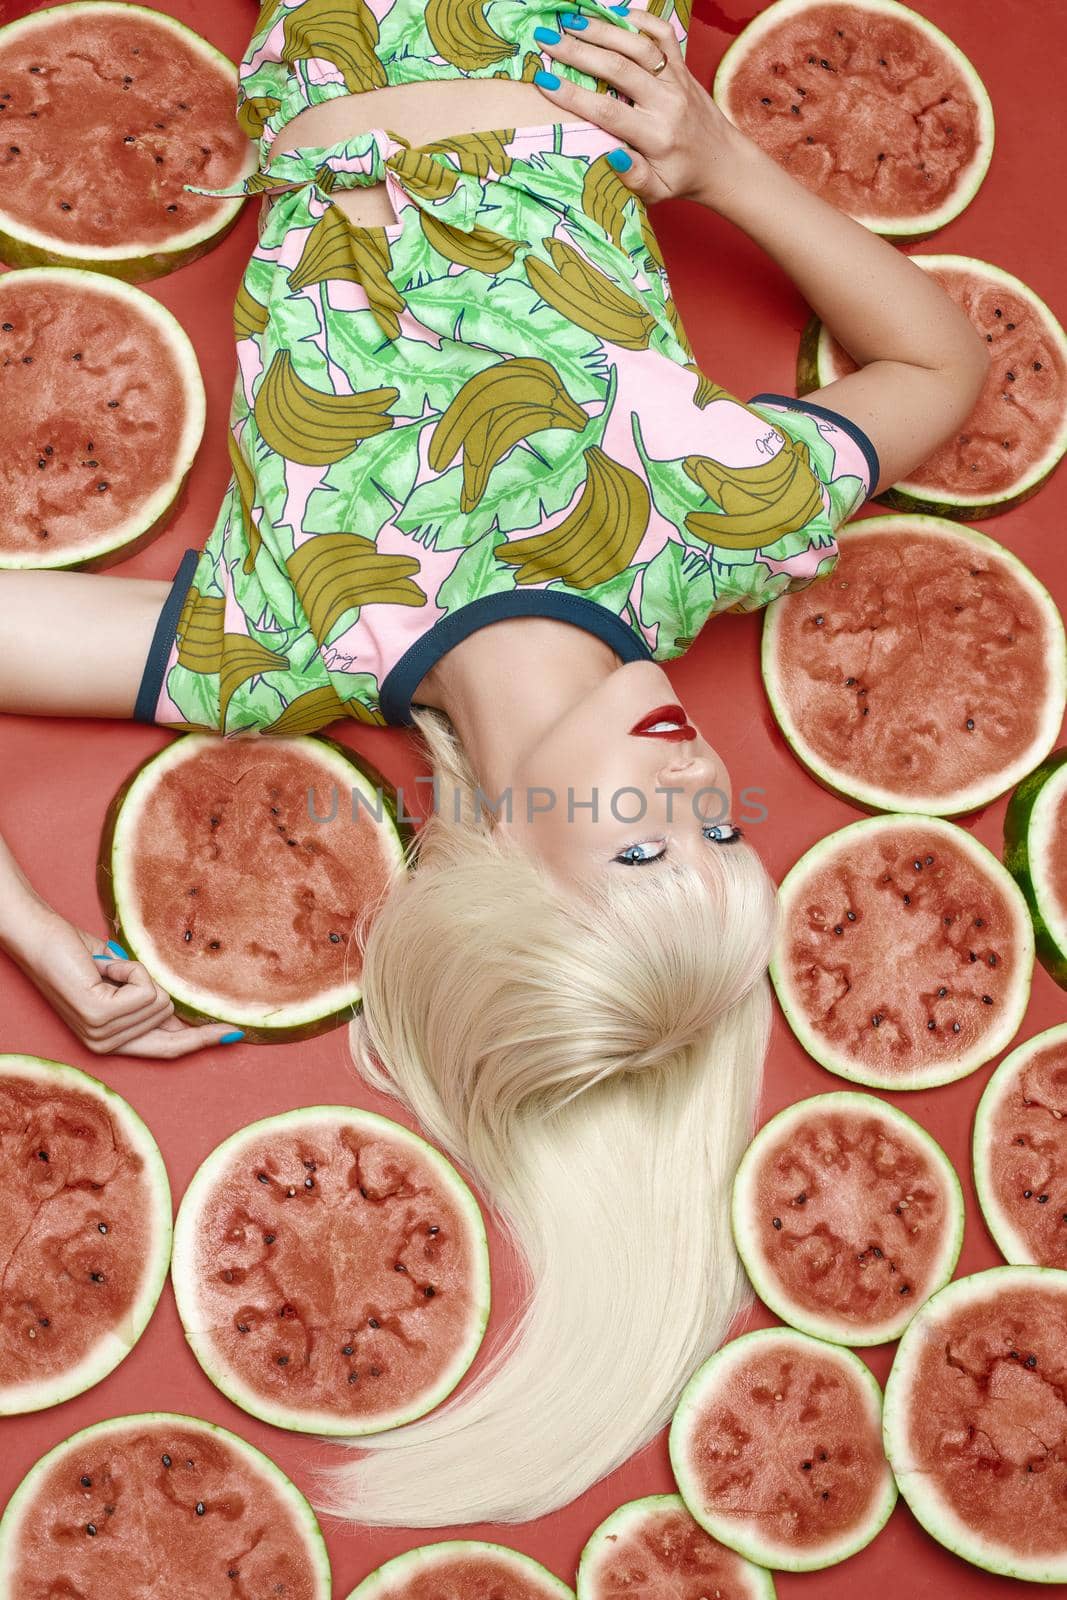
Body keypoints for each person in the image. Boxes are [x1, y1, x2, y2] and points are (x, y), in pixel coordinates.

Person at [0, 1, 987, 1524]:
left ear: (503, 877)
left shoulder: (282, 643)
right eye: (729, 836)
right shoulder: (706, 533)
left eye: (648, 849)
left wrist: (37, 932)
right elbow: (937, 367)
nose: (700, 793)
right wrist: (721, 163)